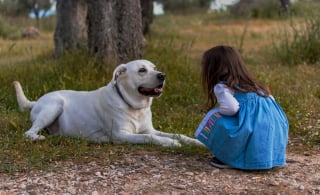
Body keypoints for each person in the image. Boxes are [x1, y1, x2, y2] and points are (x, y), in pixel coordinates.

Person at [195, 45, 289, 170]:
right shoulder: (255, 85)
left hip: (252, 128)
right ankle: (268, 156)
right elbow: (271, 103)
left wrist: (220, 111)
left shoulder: (223, 87)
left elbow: (231, 108)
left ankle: (228, 157)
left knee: (214, 117)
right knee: (256, 125)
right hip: (275, 127)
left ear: (213, 69)